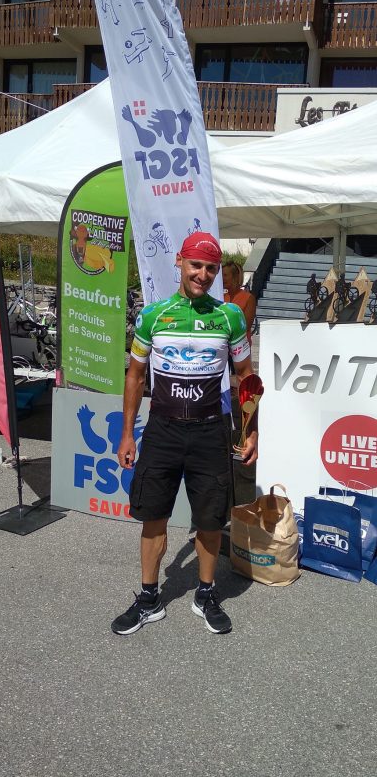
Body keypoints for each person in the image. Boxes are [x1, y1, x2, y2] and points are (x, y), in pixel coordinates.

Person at [113, 232, 258, 637]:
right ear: (180, 261)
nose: (203, 274)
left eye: (211, 268)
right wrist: (127, 435)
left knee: (210, 519)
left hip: (211, 430)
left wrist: (251, 432)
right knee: (153, 516)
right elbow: (135, 376)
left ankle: (205, 594)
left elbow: (246, 377)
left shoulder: (230, 316)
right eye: (196, 265)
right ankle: (149, 598)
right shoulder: (153, 315)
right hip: (163, 430)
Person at [222, 261, 256, 343]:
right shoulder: (221, 297)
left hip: (240, 345)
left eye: (225, 275)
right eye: (221, 275)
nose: (222, 278)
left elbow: (246, 326)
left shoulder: (248, 298)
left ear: (236, 277)